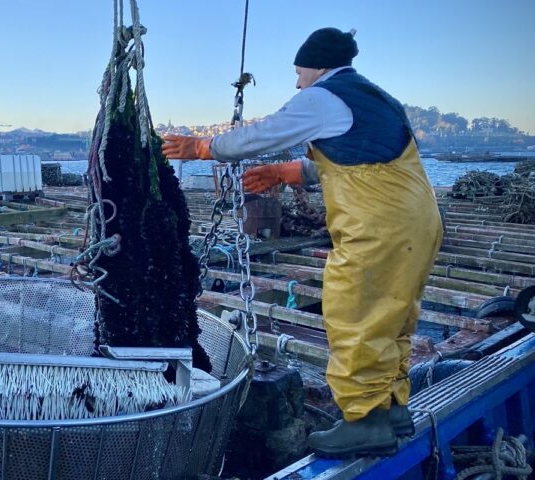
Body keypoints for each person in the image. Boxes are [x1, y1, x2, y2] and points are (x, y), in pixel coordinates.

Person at [161, 27, 443, 457]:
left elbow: (262, 133)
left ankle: (364, 421)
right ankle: (390, 407)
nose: (297, 82)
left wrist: (202, 147)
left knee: (355, 313)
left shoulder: (323, 96)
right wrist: (286, 173)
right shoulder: (376, 98)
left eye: (299, 72)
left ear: (318, 66)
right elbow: (354, 158)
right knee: (395, 314)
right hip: (418, 219)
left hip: (379, 225)